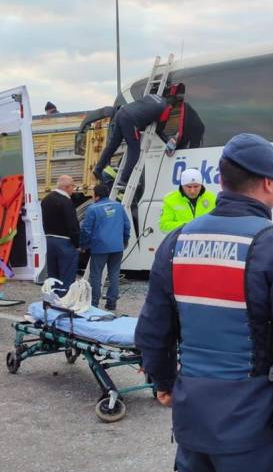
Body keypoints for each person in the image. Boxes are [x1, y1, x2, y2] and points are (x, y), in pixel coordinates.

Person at [135, 133, 273, 472]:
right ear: (268, 182)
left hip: (193, 422)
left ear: (221, 180)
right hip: (254, 430)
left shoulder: (177, 241)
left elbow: (153, 330)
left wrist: (163, 381)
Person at [92, 84, 184, 190]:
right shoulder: (166, 108)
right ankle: (124, 180)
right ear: (171, 106)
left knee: (113, 145)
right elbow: (160, 128)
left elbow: (144, 109)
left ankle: (98, 169)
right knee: (135, 150)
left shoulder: (153, 96)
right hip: (131, 121)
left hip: (121, 113)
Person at [79, 183, 131, 311]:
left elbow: (86, 230)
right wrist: (125, 240)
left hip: (100, 247)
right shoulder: (118, 206)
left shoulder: (92, 209)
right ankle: (111, 303)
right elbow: (127, 225)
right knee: (114, 274)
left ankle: (94, 303)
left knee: (96, 275)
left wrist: (83, 245)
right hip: (117, 247)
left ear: (95, 196)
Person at [41, 175, 80, 291]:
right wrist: (78, 244)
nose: (73, 189)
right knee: (67, 275)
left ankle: (53, 300)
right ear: (67, 187)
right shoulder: (66, 201)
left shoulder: (46, 199)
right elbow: (72, 225)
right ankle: (64, 300)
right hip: (65, 242)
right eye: (73, 186)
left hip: (49, 240)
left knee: (53, 275)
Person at [159, 168, 217, 233]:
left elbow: (218, 222)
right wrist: (189, 225)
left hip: (204, 241)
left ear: (201, 185)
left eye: (196, 186)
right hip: (180, 241)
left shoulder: (212, 198)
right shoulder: (170, 199)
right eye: (189, 187)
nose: (192, 191)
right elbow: (164, 226)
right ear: (182, 185)